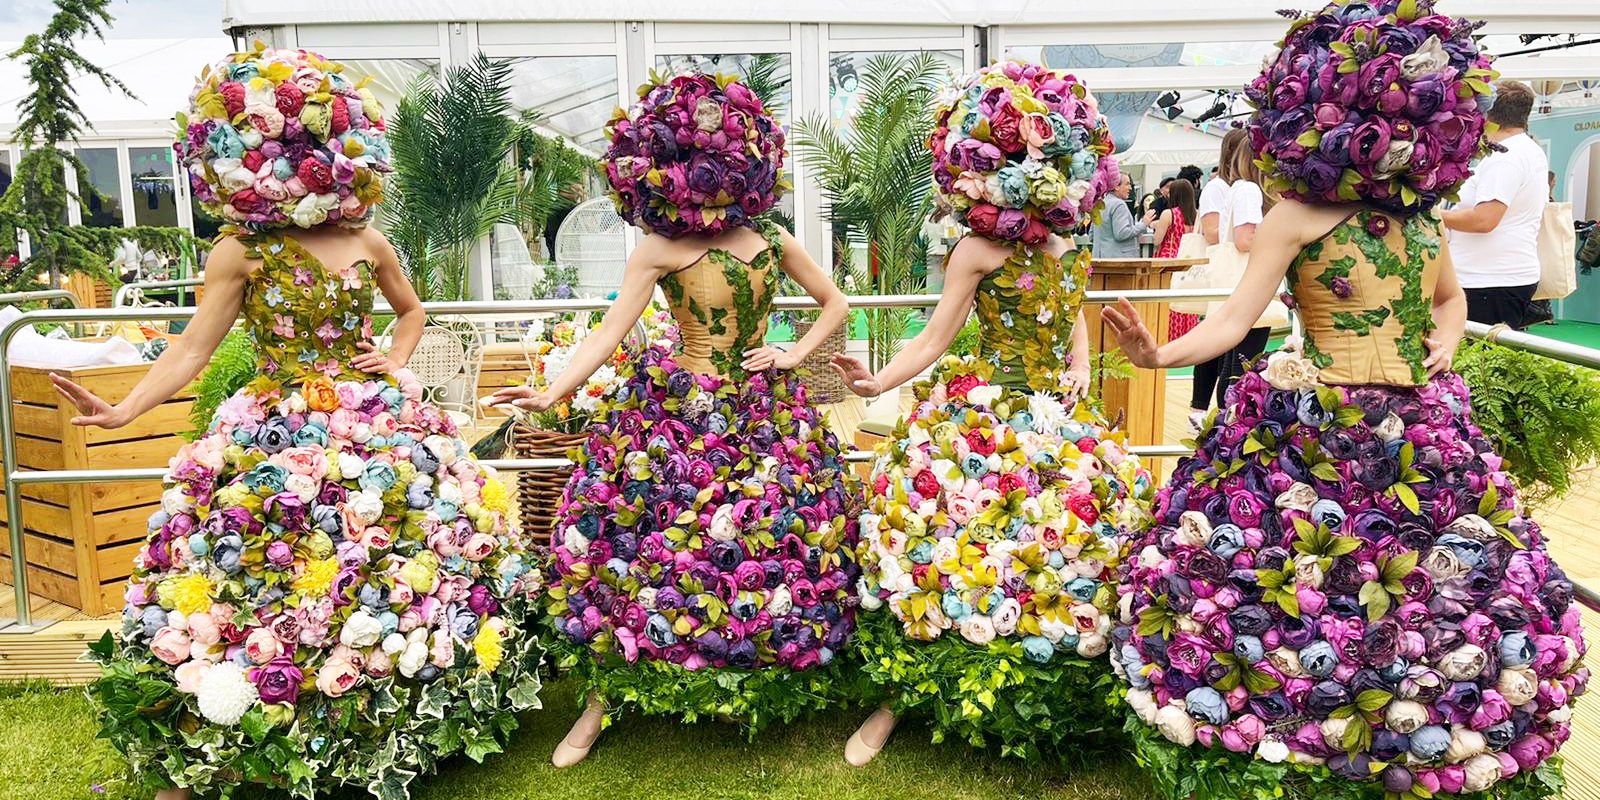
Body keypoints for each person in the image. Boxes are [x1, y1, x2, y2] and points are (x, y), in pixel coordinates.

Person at [1104, 3, 1585, 796]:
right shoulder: (1295, 217)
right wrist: (1157, 356)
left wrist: (1449, 337)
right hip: (1312, 422)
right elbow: (1232, 318)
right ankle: (1299, 721)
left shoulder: (1425, 221)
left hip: (1421, 428)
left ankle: (1410, 725)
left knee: (1433, 579)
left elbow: (1449, 302)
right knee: (1294, 574)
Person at [55, 47, 543, 800]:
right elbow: (192, 348)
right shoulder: (239, 252)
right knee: (249, 562)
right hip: (275, 425)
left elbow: (412, 313)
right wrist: (123, 409)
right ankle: (211, 734)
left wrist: (393, 358)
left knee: (394, 560)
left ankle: (382, 723)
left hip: (379, 421)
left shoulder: (368, 240)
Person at [487, 72, 859, 767]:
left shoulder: (774, 237)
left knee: (769, 534)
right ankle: (602, 700)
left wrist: (793, 352)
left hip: (763, 409)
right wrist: (553, 392)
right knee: (629, 541)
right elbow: (606, 333)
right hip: (671, 412)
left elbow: (836, 304)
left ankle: (757, 673)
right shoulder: (656, 248)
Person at [829, 60, 1153, 766]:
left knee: (1072, 541)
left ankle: (1069, 693)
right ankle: (902, 695)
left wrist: (1077, 365)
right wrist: (875, 380)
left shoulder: (1072, 243)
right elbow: (936, 335)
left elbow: (1070, 316)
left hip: (1061, 419)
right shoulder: (977, 249)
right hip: (989, 410)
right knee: (949, 544)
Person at [1441, 80, 1549, 329]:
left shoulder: (1506, 158)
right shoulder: (1527, 150)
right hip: (1497, 279)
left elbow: (1485, 219)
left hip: (1489, 283)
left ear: (1488, 115)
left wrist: (1432, 215)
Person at [1185, 134, 1276, 423]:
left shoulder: (1237, 188)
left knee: (1233, 354)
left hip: (1238, 279)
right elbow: (1243, 238)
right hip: (1246, 279)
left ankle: (1222, 417)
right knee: (1241, 356)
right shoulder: (1248, 191)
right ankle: (1227, 418)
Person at [1157, 178, 1200, 338]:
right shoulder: (1196, 215)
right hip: (1189, 260)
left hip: (1169, 258)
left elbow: (1157, 240)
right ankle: (1188, 335)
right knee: (1188, 301)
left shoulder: (1169, 214)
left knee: (1169, 301)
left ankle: (1169, 335)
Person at [1093, 171, 1151, 257]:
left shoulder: (1100, 204)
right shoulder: (1119, 204)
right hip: (1119, 261)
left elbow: (1091, 235)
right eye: (1127, 184)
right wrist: (1143, 224)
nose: (1130, 188)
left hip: (1099, 259)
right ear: (1116, 186)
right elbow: (1122, 233)